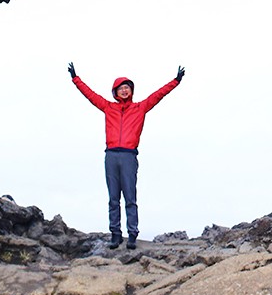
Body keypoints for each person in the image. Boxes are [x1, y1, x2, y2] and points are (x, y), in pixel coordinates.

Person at [67, 61, 185, 249]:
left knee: (130, 197)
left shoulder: (140, 108)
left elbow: (158, 95)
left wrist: (176, 81)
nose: (124, 91)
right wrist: (75, 79)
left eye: (127, 88)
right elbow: (90, 95)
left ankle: (132, 234)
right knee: (113, 197)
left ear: (131, 91)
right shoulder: (108, 107)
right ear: (115, 92)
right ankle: (115, 234)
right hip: (111, 155)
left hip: (129, 156)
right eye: (120, 88)